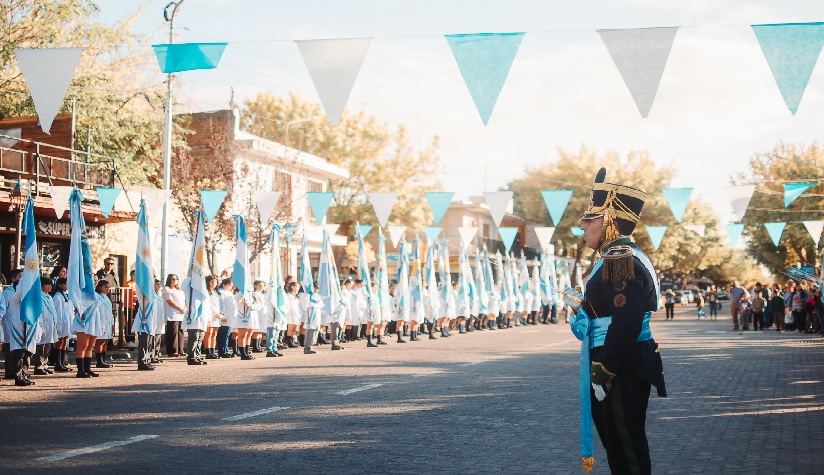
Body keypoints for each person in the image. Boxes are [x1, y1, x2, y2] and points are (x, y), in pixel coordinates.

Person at [565, 167, 666, 474]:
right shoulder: (616, 255)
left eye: (589, 219)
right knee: (620, 448)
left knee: (627, 450)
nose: (583, 225)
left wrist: (604, 368)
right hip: (622, 361)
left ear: (608, 221)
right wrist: (582, 304)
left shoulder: (619, 257)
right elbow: (616, 310)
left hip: (621, 366)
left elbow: (627, 320)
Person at [132, 279, 163, 371]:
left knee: (149, 343)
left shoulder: (154, 295)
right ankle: (142, 362)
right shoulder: (143, 293)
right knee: (144, 342)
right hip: (144, 321)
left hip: (151, 321)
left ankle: (147, 360)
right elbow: (138, 286)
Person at [34, 278, 58, 376]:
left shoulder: (49, 297)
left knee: (48, 345)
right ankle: (38, 366)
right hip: (43, 324)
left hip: (50, 325)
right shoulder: (39, 297)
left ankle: (45, 364)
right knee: (41, 346)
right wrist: (41, 325)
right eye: (47, 285)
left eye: (51, 285)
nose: (50, 287)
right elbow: (39, 312)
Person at [51, 278, 73, 372]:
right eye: (65, 284)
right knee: (59, 343)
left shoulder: (66, 295)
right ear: (60, 285)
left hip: (66, 323)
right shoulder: (58, 296)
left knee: (64, 342)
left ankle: (63, 362)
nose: (67, 286)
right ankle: (58, 363)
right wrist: (59, 325)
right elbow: (58, 312)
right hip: (61, 323)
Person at [162, 274, 186, 357]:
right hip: (172, 314)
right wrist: (179, 308)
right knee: (173, 332)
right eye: (173, 279)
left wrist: (184, 308)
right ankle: (172, 350)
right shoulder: (167, 289)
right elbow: (170, 301)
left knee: (180, 332)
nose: (174, 280)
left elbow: (185, 301)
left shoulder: (179, 290)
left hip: (181, 314)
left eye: (176, 279)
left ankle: (180, 349)